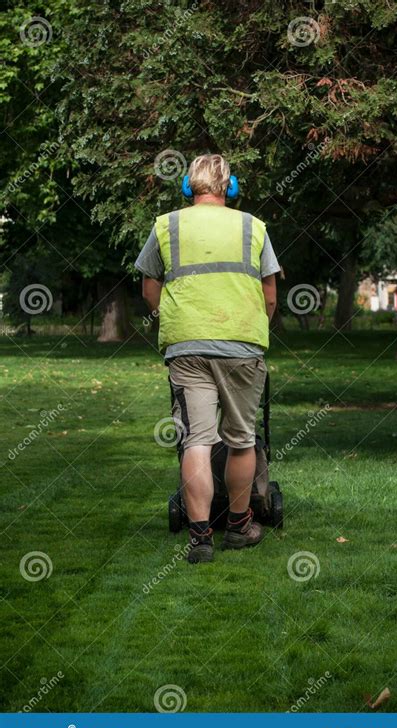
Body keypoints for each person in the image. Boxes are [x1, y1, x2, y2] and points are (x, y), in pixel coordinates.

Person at [135, 154, 279, 563]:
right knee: (241, 438)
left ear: (187, 186)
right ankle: (238, 526)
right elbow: (270, 294)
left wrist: (176, 320)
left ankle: (200, 538)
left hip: (188, 347)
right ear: (229, 188)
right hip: (242, 345)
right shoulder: (253, 226)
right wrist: (255, 326)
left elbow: (150, 287)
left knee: (196, 439)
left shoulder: (167, 225)